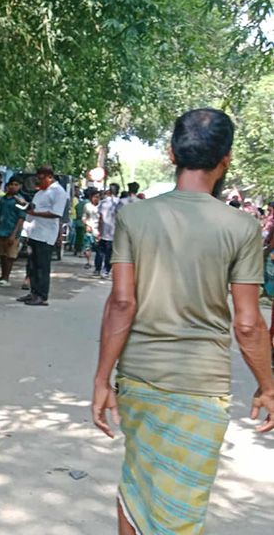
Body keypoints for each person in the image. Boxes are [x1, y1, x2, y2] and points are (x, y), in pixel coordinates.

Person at [91, 108, 274, 535]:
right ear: (225, 159)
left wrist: (103, 378)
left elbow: (121, 302)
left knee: (137, 483)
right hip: (201, 388)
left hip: (138, 378)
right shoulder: (243, 228)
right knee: (182, 505)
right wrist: (267, 384)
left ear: (172, 153)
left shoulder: (135, 217)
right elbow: (247, 324)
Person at [16, 167, 67, 306]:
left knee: (42, 266)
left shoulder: (58, 192)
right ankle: (33, 292)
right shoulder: (41, 192)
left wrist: (35, 213)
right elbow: (34, 207)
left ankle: (42, 295)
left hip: (45, 235)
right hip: (34, 231)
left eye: (41, 178)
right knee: (32, 265)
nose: (38, 181)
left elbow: (56, 213)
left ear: (49, 177)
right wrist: (26, 206)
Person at [0, 176, 27, 286]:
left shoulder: (19, 201)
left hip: (12, 231)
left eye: (16, 185)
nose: (13, 187)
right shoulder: (3, 199)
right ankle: (2, 275)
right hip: (2, 229)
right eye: (11, 184)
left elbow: (21, 218)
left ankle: (6, 277)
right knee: (2, 254)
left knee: (10, 256)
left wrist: (14, 234)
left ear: (20, 187)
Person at [96, 183, 120, 279]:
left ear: (109, 191)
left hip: (104, 231)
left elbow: (100, 218)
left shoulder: (103, 202)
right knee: (109, 254)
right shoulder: (120, 203)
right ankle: (106, 270)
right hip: (114, 232)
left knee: (100, 251)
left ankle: (98, 269)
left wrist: (99, 230)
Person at [82, 189, 101, 269]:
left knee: (99, 249)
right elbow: (83, 217)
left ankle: (98, 265)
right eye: (94, 197)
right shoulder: (87, 206)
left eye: (98, 197)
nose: (96, 199)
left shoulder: (101, 207)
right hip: (89, 229)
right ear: (91, 197)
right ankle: (88, 262)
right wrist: (86, 225)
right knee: (87, 246)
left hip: (98, 230)